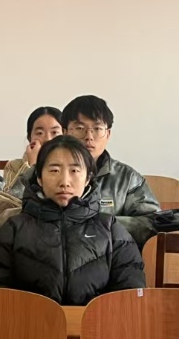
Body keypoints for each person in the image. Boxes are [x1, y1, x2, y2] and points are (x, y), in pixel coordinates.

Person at [0, 135, 144, 305]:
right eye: (54, 170)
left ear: (88, 178)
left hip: (95, 321)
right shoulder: (14, 229)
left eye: (74, 171)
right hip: (31, 321)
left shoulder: (111, 230)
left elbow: (129, 297)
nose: (64, 182)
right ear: (39, 177)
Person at [62, 95, 158, 246]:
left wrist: (98, 225)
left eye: (97, 129)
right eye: (80, 128)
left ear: (108, 134)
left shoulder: (127, 179)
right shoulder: (44, 174)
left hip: (113, 256)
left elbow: (151, 223)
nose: (89, 137)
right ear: (64, 132)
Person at [2, 106, 62, 196]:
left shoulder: (73, 166)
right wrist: (33, 166)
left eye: (54, 132)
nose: (47, 139)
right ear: (29, 138)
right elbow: (11, 199)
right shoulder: (14, 166)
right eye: (40, 133)